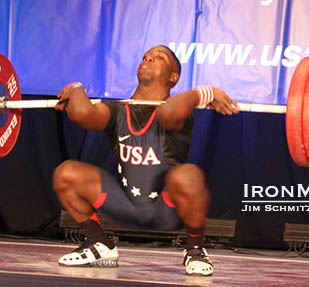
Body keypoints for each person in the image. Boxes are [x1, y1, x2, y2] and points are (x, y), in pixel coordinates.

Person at [53, 45, 240, 276]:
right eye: (146, 56)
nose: (149, 58)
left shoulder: (180, 110)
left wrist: (206, 93)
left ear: (173, 77)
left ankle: (195, 249)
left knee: (188, 175)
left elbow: (168, 113)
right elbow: (82, 114)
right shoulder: (116, 110)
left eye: (158, 57)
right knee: (66, 173)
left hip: (166, 210)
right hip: (123, 204)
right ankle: (100, 245)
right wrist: (76, 88)